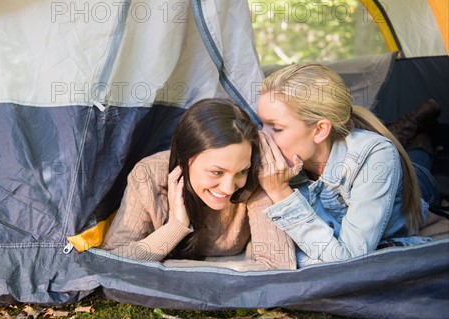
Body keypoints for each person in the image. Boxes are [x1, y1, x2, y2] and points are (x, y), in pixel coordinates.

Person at [256, 63, 444, 267]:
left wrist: (281, 193)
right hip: (349, 152)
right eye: (261, 124)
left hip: (415, 184)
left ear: (319, 130)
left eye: (276, 128)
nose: (262, 138)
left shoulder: (374, 155)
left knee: (417, 157)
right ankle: (405, 129)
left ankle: (421, 136)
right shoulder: (284, 162)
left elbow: (348, 261)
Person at [101, 98, 296, 271]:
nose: (229, 188)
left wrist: (161, 267)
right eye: (217, 172)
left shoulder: (258, 175)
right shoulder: (149, 174)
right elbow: (111, 261)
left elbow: (277, 266)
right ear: (185, 160)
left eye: (241, 171)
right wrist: (175, 227)